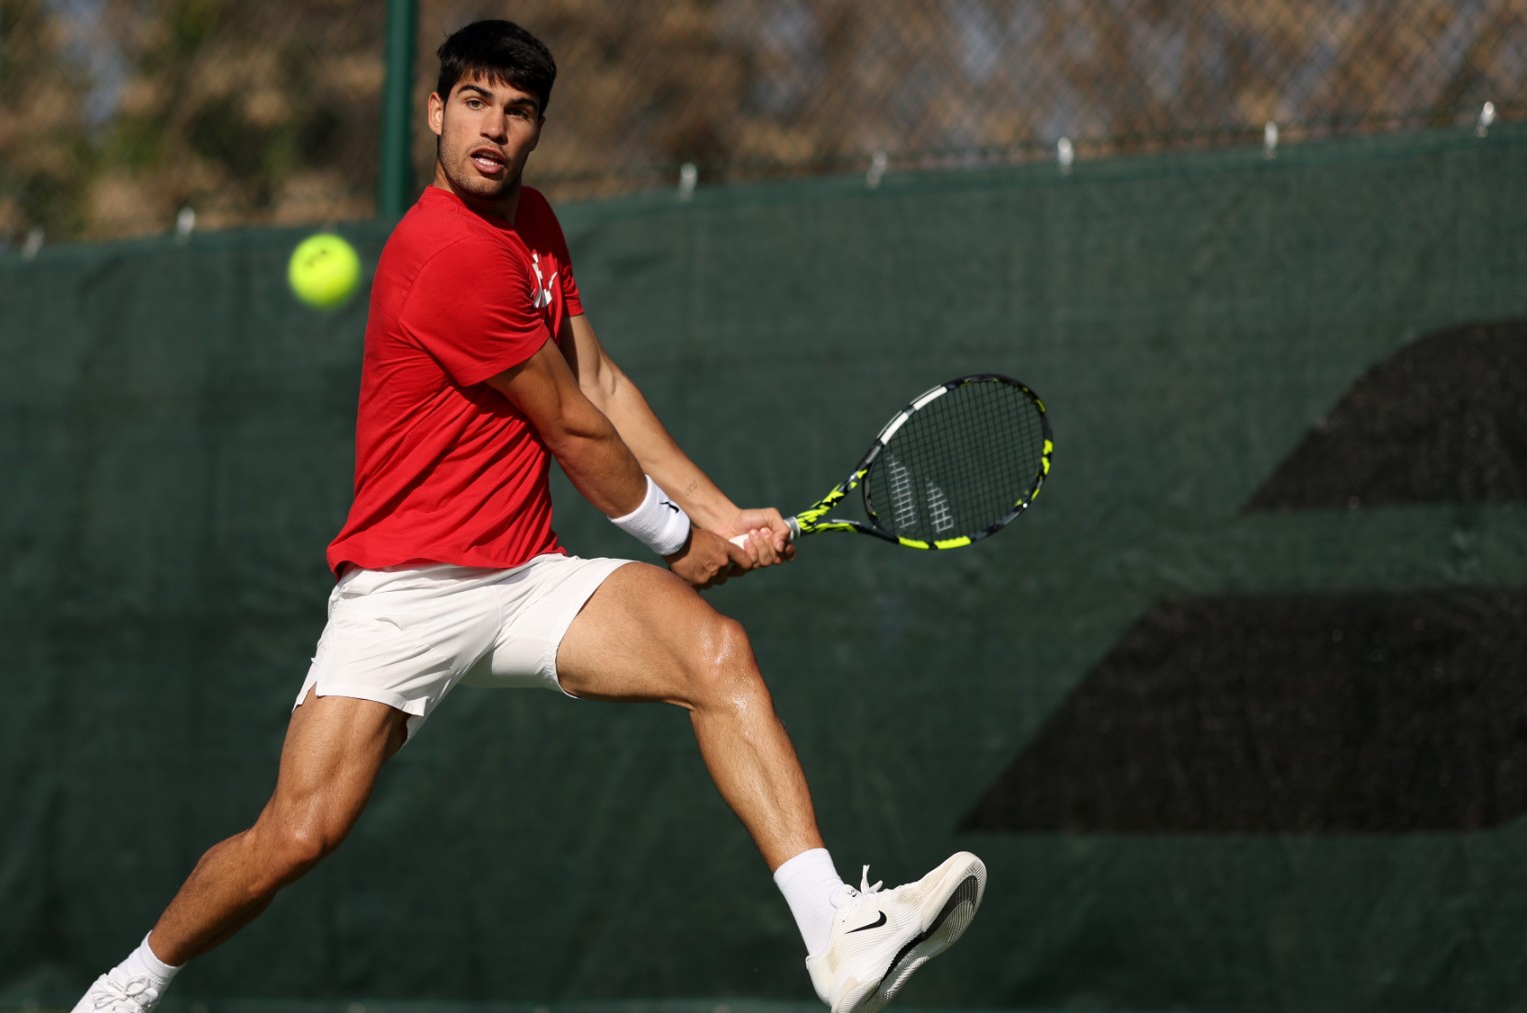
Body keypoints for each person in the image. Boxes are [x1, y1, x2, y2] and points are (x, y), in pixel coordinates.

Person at [71, 20, 984, 1013]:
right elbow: (573, 427)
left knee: (716, 657)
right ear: (435, 111)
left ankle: (836, 938)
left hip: (523, 577)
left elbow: (601, 378)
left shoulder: (533, 224)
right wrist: (680, 538)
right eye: (474, 103)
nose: (493, 128)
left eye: (516, 111)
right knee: (298, 831)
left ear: (538, 127)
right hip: (405, 589)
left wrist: (721, 509)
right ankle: (129, 986)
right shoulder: (445, 256)